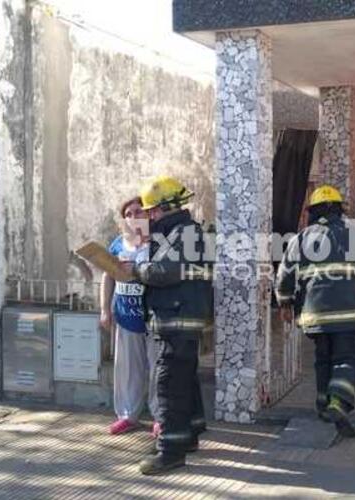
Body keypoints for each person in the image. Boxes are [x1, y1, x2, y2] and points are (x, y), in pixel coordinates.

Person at [121, 175, 211, 476]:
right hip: (179, 317)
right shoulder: (180, 232)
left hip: (176, 319)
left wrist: (135, 269)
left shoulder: (183, 233)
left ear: (167, 207)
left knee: (168, 383)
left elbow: (166, 271)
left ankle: (169, 452)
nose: (149, 216)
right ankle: (188, 436)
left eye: (152, 211)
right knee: (183, 379)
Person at [275, 185, 355, 437]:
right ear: (340, 210)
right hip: (348, 316)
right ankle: (338, 401)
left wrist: (284, 304)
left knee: (323, 359)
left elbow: (284, 276)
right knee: (348, 359)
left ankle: (323, 406)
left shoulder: (300, 239)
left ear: (312, 212)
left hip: (314, 317)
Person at [100, 197, 158, 436]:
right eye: (129, 213)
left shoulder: (158, 243)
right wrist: (105, 309)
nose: (134, 216)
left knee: (157, 369)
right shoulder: (117, 244)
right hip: (125, 316)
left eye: (139, 211)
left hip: (153, 317)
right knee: (127, 370)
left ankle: (160, 417)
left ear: (149, 215)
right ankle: (127, 415)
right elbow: (107, 277)